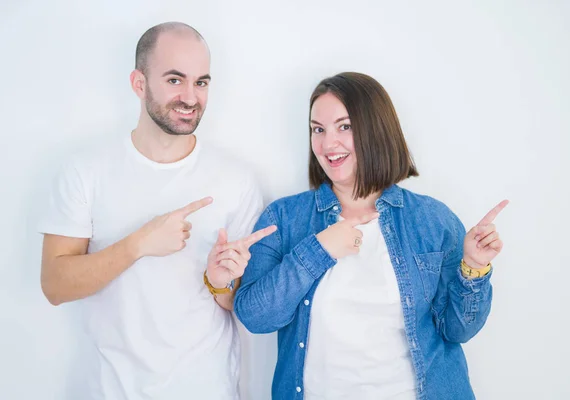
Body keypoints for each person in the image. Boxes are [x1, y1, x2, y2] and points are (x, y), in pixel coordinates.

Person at [234, 72, 508, 399]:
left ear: (375, 129)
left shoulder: (432, 220)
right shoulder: (284, 218)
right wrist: (318, 250)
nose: (327, 143)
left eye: (344, 126)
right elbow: (256, 317)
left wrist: (474, 268)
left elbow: (458, 329)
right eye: (317, 129)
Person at [38, 22, 275, 399]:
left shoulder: (236, 180)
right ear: (139, 83)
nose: (191, 97)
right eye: (174, 80)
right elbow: (54, 285)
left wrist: (218, 282)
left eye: (201, 82)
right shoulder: (86, 170)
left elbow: (244, 307)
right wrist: (138, 244)